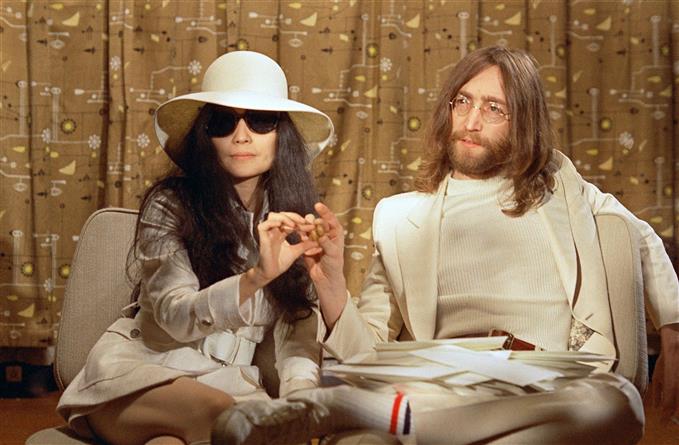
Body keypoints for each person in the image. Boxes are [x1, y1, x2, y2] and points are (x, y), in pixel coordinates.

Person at [214, 46, 679, 445]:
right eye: (463, 102)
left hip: (544, 379)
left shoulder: (561, 184)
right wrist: (331, 282)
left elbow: (638, 234)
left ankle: (345, 411)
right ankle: (379, 413)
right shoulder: (399, 218)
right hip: (442, 382)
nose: (471, 121)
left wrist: (675, 326)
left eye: (494, 109)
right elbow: (364, 352)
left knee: (617, 401)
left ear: (524, 122)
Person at [56, 51, 336, 445]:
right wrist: (256, 277)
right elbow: (174, 315)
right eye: (223, 122)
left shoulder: (296, 218)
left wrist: (300, 400)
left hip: (231, 386)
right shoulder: (170, 204)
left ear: (282, 134)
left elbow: (298, 325)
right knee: (225, 416)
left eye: (260, 121)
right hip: (141, 377)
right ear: (205, 135)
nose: (242, 136)